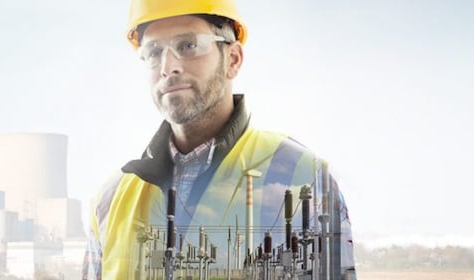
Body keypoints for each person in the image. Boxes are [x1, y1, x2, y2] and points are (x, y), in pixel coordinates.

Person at [82, 0, 357, 279]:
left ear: (233, 60)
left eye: (188, 46)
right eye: (154, 51)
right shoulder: (112, 198)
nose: (168, 67)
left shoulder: (303, 177)